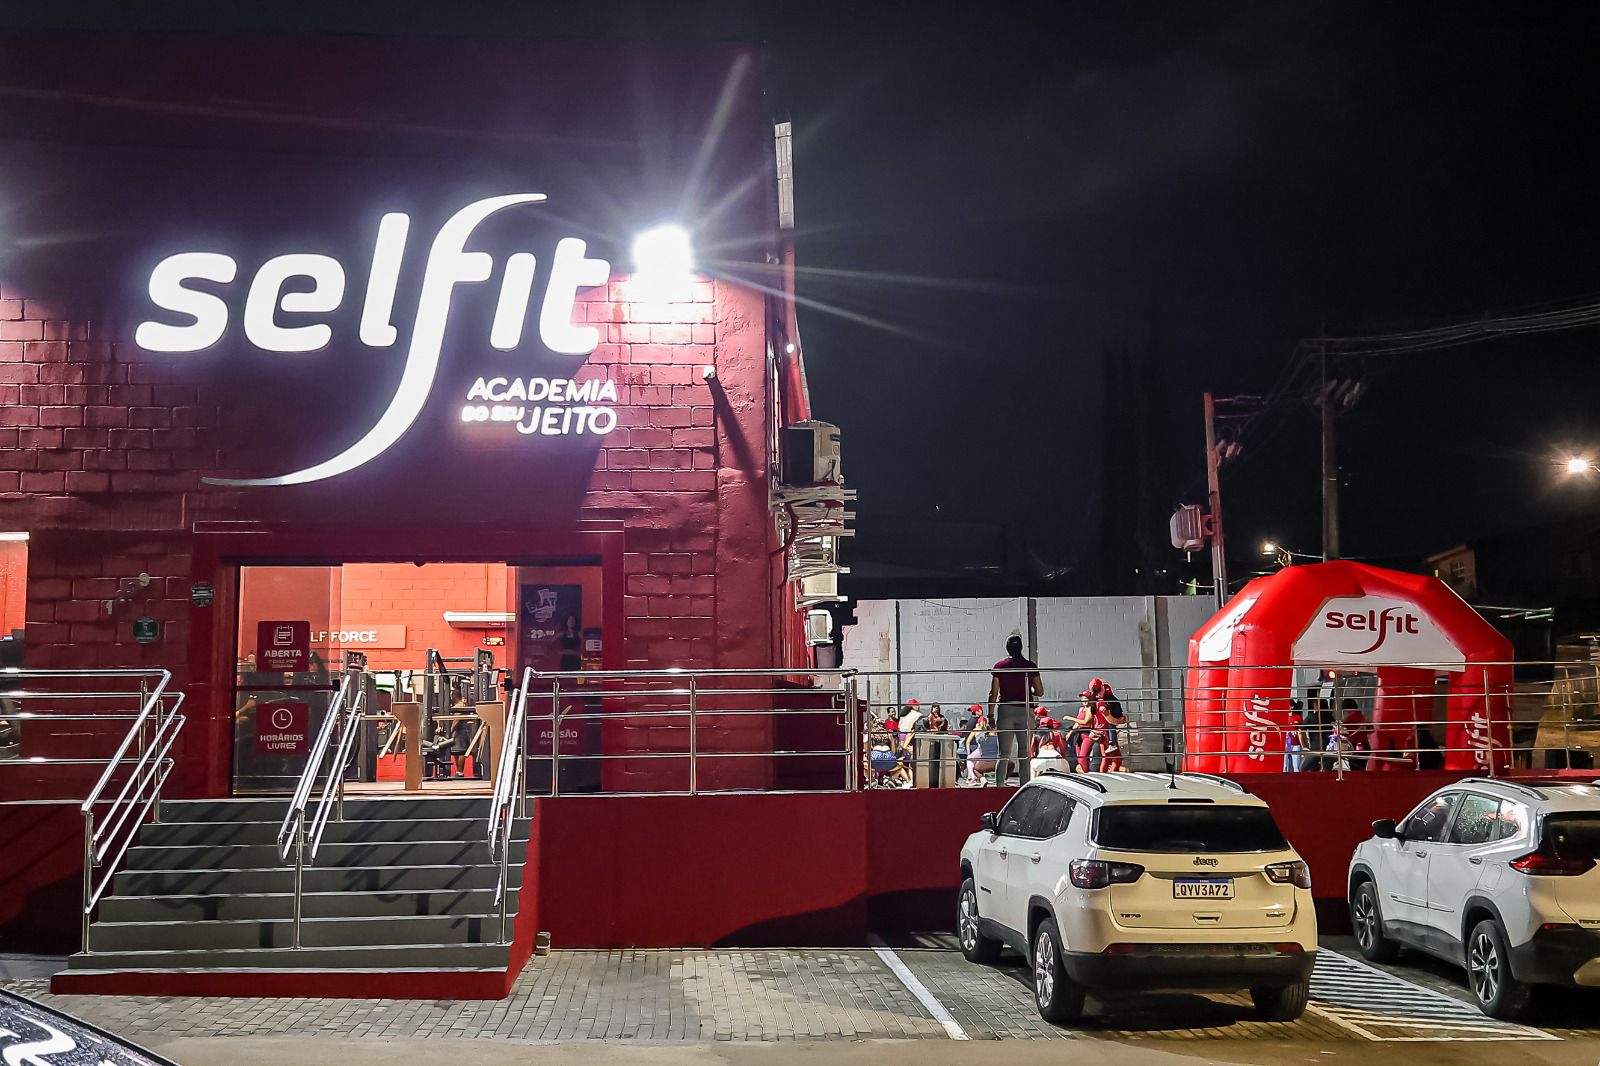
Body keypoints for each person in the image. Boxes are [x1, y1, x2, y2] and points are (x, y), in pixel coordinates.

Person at [988, 634, 1043, 785]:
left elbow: (993, 693)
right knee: (1025, 753)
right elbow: (1040, 691)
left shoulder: (1000, 666)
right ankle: (1024, 785)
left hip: (1006, 710)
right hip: (1025, 710)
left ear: (1007, 648)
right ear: (1021, 647)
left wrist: (990, 714)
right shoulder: (1030, 666)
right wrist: (1027, 689)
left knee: (1003, 753)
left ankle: (999, 786)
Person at [963, 716, 999, 785]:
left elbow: (968, 741)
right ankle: (974, 777)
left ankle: (973, 778)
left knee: (970, 759)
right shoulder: (989, 730)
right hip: (987, 750)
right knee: (973, 761)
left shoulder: (976, 730)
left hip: (981, 749)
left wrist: (968, 753)